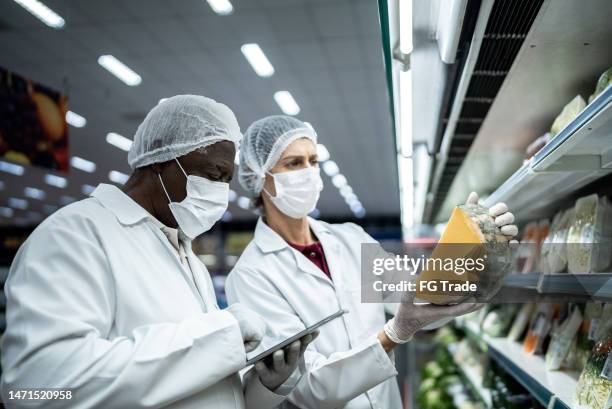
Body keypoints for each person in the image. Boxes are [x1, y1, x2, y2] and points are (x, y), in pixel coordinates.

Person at [0, 96, 315, 409]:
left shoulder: (184, 253)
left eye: (226, 181)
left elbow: (208, 387)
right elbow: (34, 390)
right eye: (212, 174)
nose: (220, 191)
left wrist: (265, 384)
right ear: (162, 158)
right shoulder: (74, 234)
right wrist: (220, 336)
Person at [225, 115, 518, 409]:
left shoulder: (351, 239)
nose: (309, 172)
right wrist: (392, 335)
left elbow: (421, 296)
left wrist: (475, 251)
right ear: (259, 175)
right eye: (294, 163)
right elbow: (303, 388)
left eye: (313, 161)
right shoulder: (251, 275)